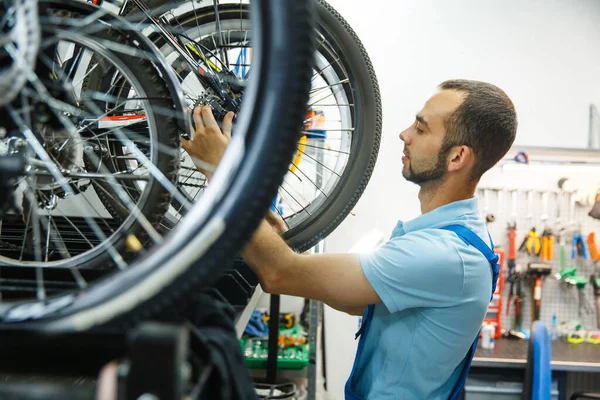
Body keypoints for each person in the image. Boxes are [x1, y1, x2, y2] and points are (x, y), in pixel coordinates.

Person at [181, 79, 517, 400]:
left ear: (457, 157)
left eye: (421, 127)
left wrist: (222, 173)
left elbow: (278, 273)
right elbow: (355, 299)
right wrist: (275, 240)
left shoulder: (443, 254)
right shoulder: (451, 238)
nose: (404, 134)